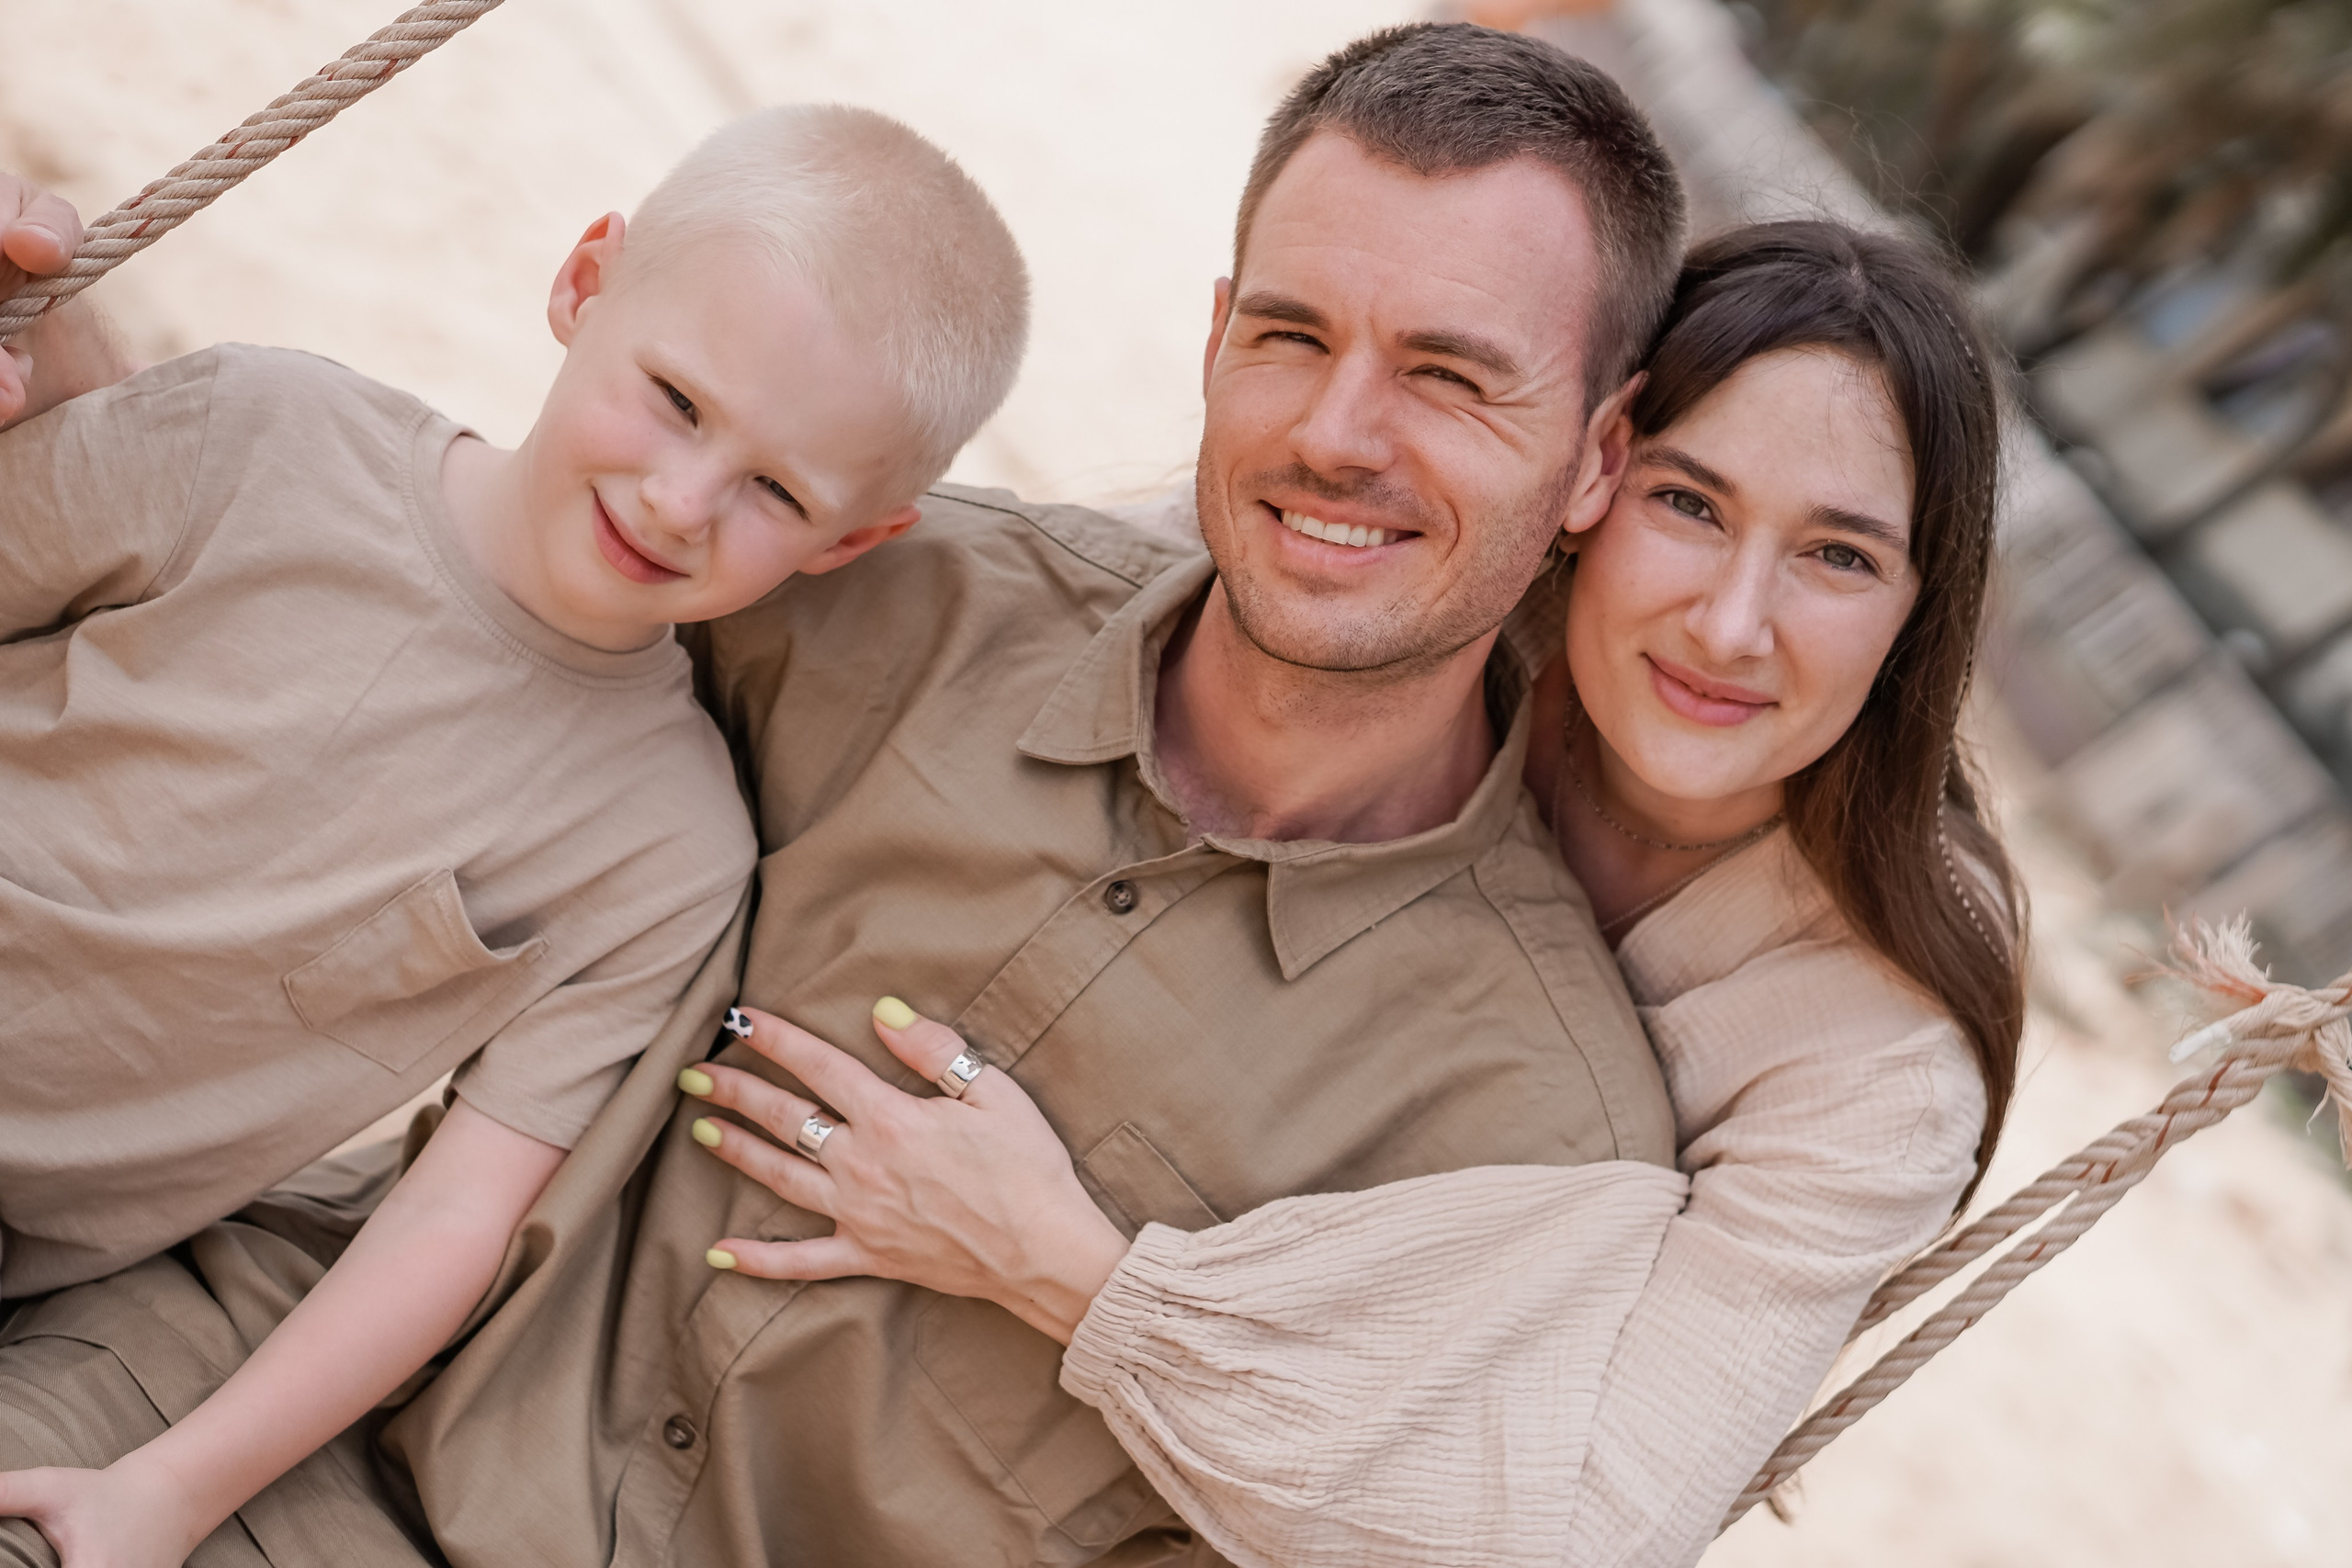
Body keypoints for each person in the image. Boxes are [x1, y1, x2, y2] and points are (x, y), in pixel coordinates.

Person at [0, 22, 1690, 1568]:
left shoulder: (1531, 1140)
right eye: (1290, 332)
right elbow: (377, 563)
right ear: (1213, 339)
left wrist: (1087, 1284)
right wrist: (46, 328)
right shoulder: (872, 594)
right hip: (250, 1411)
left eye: (1452, 375)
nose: (1338, 430)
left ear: (1599, 458)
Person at [673, 219, 2028, 1568]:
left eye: (1840, 556)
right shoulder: (1438, 587)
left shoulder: (1878, 1063)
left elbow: (1580, 1538)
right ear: (1590, 472)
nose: (1733, 625)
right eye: (1688, 503)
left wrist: (1069, 1271)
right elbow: (1123, 610)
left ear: (1922, 610)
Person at [0, 105, 1027, 1566]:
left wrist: (167, 1487)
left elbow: (449, 1223)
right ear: (584, 281)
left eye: (777, 492)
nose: (681, 502)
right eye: (676, 398)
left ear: (853, 541)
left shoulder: (664, 855)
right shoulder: (254, 436)